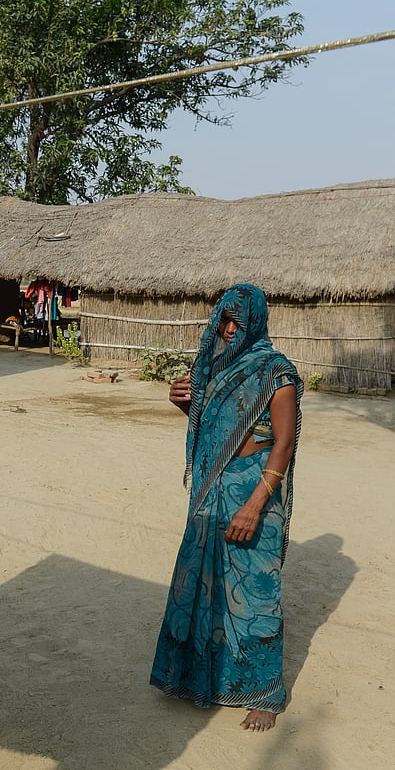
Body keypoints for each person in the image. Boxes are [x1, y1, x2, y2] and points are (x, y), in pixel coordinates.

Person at [150, 283, 302, 732]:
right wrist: (186, 407)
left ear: (254, 321)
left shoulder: (277, 373)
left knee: (254, 591)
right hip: (212, 489)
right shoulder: (212, 368)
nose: (229, 329)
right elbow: (217, 431)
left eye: (236, 321)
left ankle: (264, 693)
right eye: (223, 321)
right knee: (201, 581)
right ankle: (199, 677)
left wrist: (255, 504)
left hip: (254, 492)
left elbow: (284, 442)